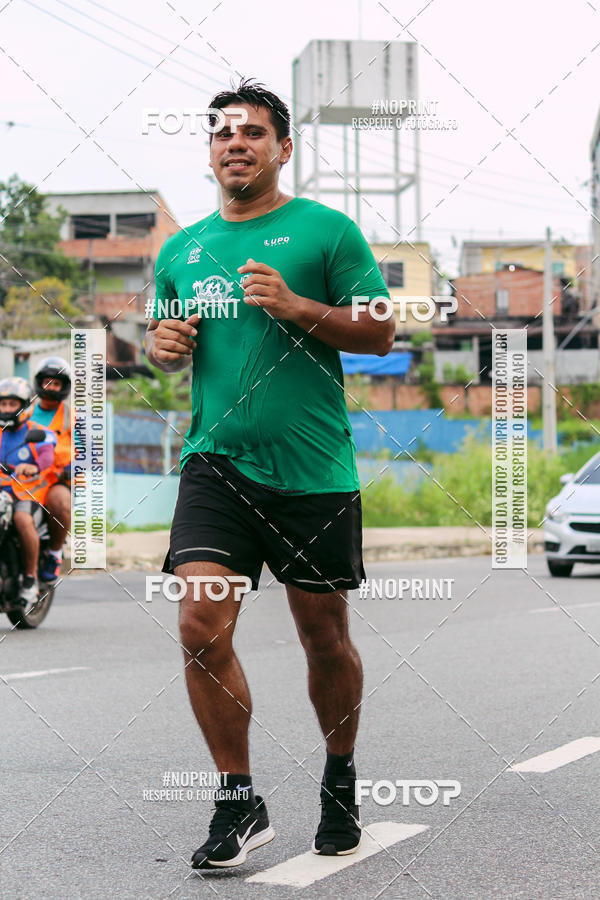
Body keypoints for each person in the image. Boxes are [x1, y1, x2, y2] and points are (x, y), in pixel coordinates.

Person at [145, 78, 394, 870]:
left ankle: (339, 778)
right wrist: (161, 347)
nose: (236, 144)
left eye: (252, 132)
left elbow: (381, 332)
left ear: (283, 148)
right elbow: (168, 338)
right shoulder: (180, 251)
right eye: (223, 134)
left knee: (324, 637)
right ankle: (237, 799)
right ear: (210, 151)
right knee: (198, 625)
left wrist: (296, 306)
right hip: (216, 464)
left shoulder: (327, 231)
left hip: (313, 471)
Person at [0, 377, 57, 604]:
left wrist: (34, 466)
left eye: (12, 404)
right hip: (2, 493)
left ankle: (30, 579)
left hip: (27, 493)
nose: (6, 409)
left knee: (22, 519)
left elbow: (47, 455)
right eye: (3, 404)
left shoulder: (38, 431)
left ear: (24, 406)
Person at [30, 356, 73, 582]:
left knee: (60, 503)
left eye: (56, 383)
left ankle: (55, 553)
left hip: (56, 480)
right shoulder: (23, 412)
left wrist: (70, 469)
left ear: (64, 387)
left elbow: (89, 455)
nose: (51, 387)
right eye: (48, 382)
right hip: (23, 477)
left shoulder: (72, 417)